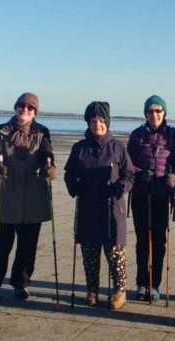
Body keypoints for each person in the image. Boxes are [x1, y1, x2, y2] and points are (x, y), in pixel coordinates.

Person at [0, 92, 55, 303]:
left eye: (30, 108)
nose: (25, 110)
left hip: (33, 197)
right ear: (16, 107)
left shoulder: (42, 131)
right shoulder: (2, 131)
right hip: (7, 195)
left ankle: (21, 284)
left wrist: (49, 164)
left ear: (35, 111)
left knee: (27, 248)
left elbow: (47, 152)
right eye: (22, 106)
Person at [64, 101, 134, 310]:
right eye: (93, 120)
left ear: (108, 122)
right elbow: (69, 174)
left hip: (112, 208)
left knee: (115, 253)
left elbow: (129, 174)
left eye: (101, 120)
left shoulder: (118, 146)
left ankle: (120, 292)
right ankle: (92, 290)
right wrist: (75, 184)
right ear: (88, 122)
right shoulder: (79, 148)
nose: (97, 124)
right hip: (87, 207)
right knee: (90, 253)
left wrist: (120, 186)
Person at [127, 95, 175, 301]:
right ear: (145, 114)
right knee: (143, 241)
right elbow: (127, 164)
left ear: (164, 113)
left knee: (159, 242)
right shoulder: (137, 135)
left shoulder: (173, 135)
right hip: (141, 195)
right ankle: (142, 283)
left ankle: (155, 284)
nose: (154, 115)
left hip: (162, 196)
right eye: (150, 111)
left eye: (158, 111)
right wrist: (139, 173)